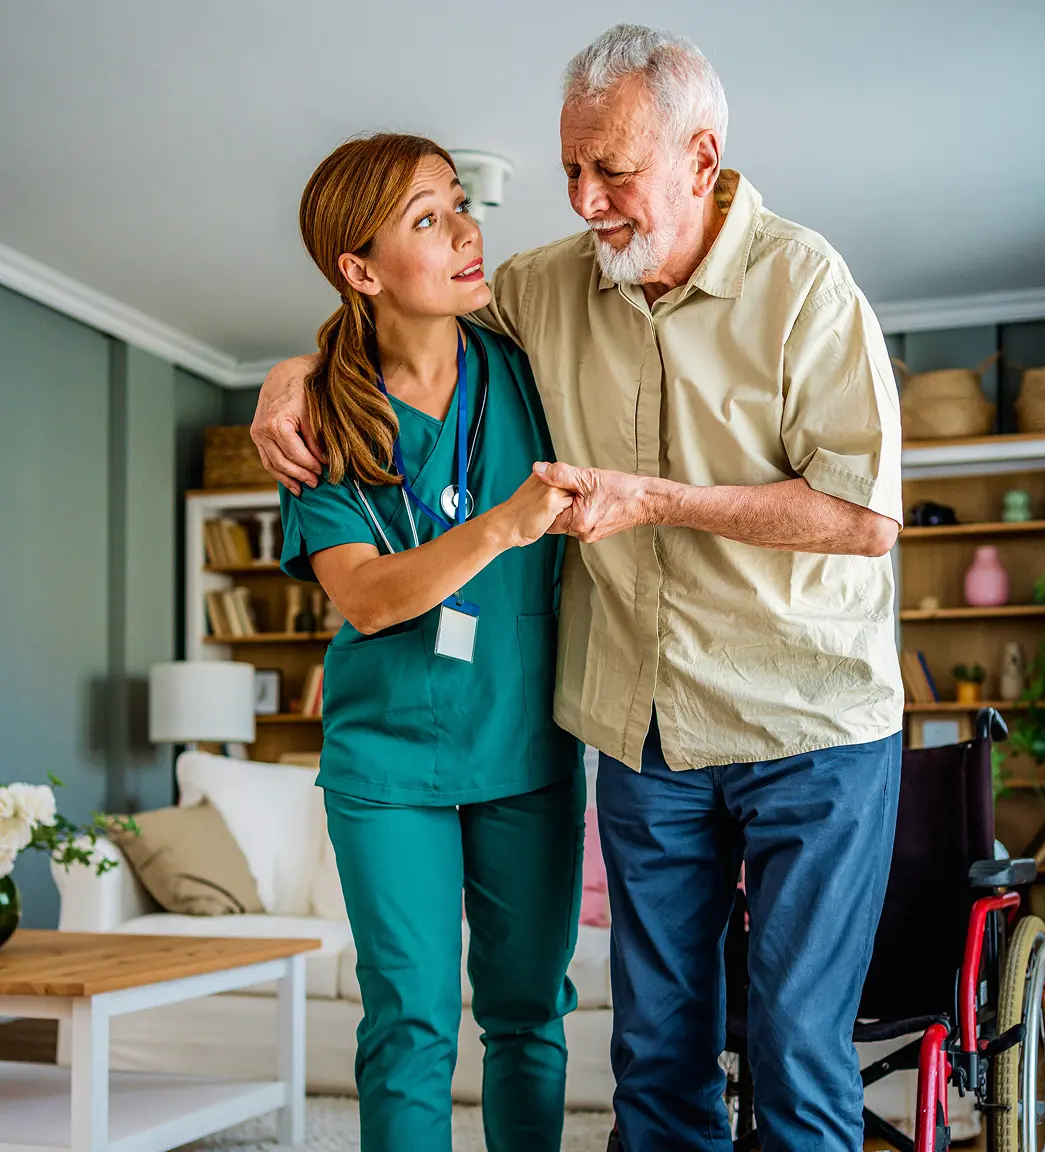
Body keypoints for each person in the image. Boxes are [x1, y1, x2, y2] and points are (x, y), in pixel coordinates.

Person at [254, 25, 905, 1152]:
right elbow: (393, 329)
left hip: (802, 723)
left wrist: (655, 498)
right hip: (640, 732)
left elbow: (863, 519)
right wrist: (292, 370)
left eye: (612, 170)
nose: (583, 200)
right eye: (570, 169)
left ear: (701, 158)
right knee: (650, 1063)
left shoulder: (801, 284)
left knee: (791, 1061)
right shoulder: (543, 297)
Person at [277, 132, 584, 1152]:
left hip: (525, 748)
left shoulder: (530, 366)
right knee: (408, 1025)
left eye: (460, 202)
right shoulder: (320, 417)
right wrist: (501, 523)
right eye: (426, 218)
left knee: (528, 1019)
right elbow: (363, 596)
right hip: (388, 763)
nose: (466, 229)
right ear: (359, 272)